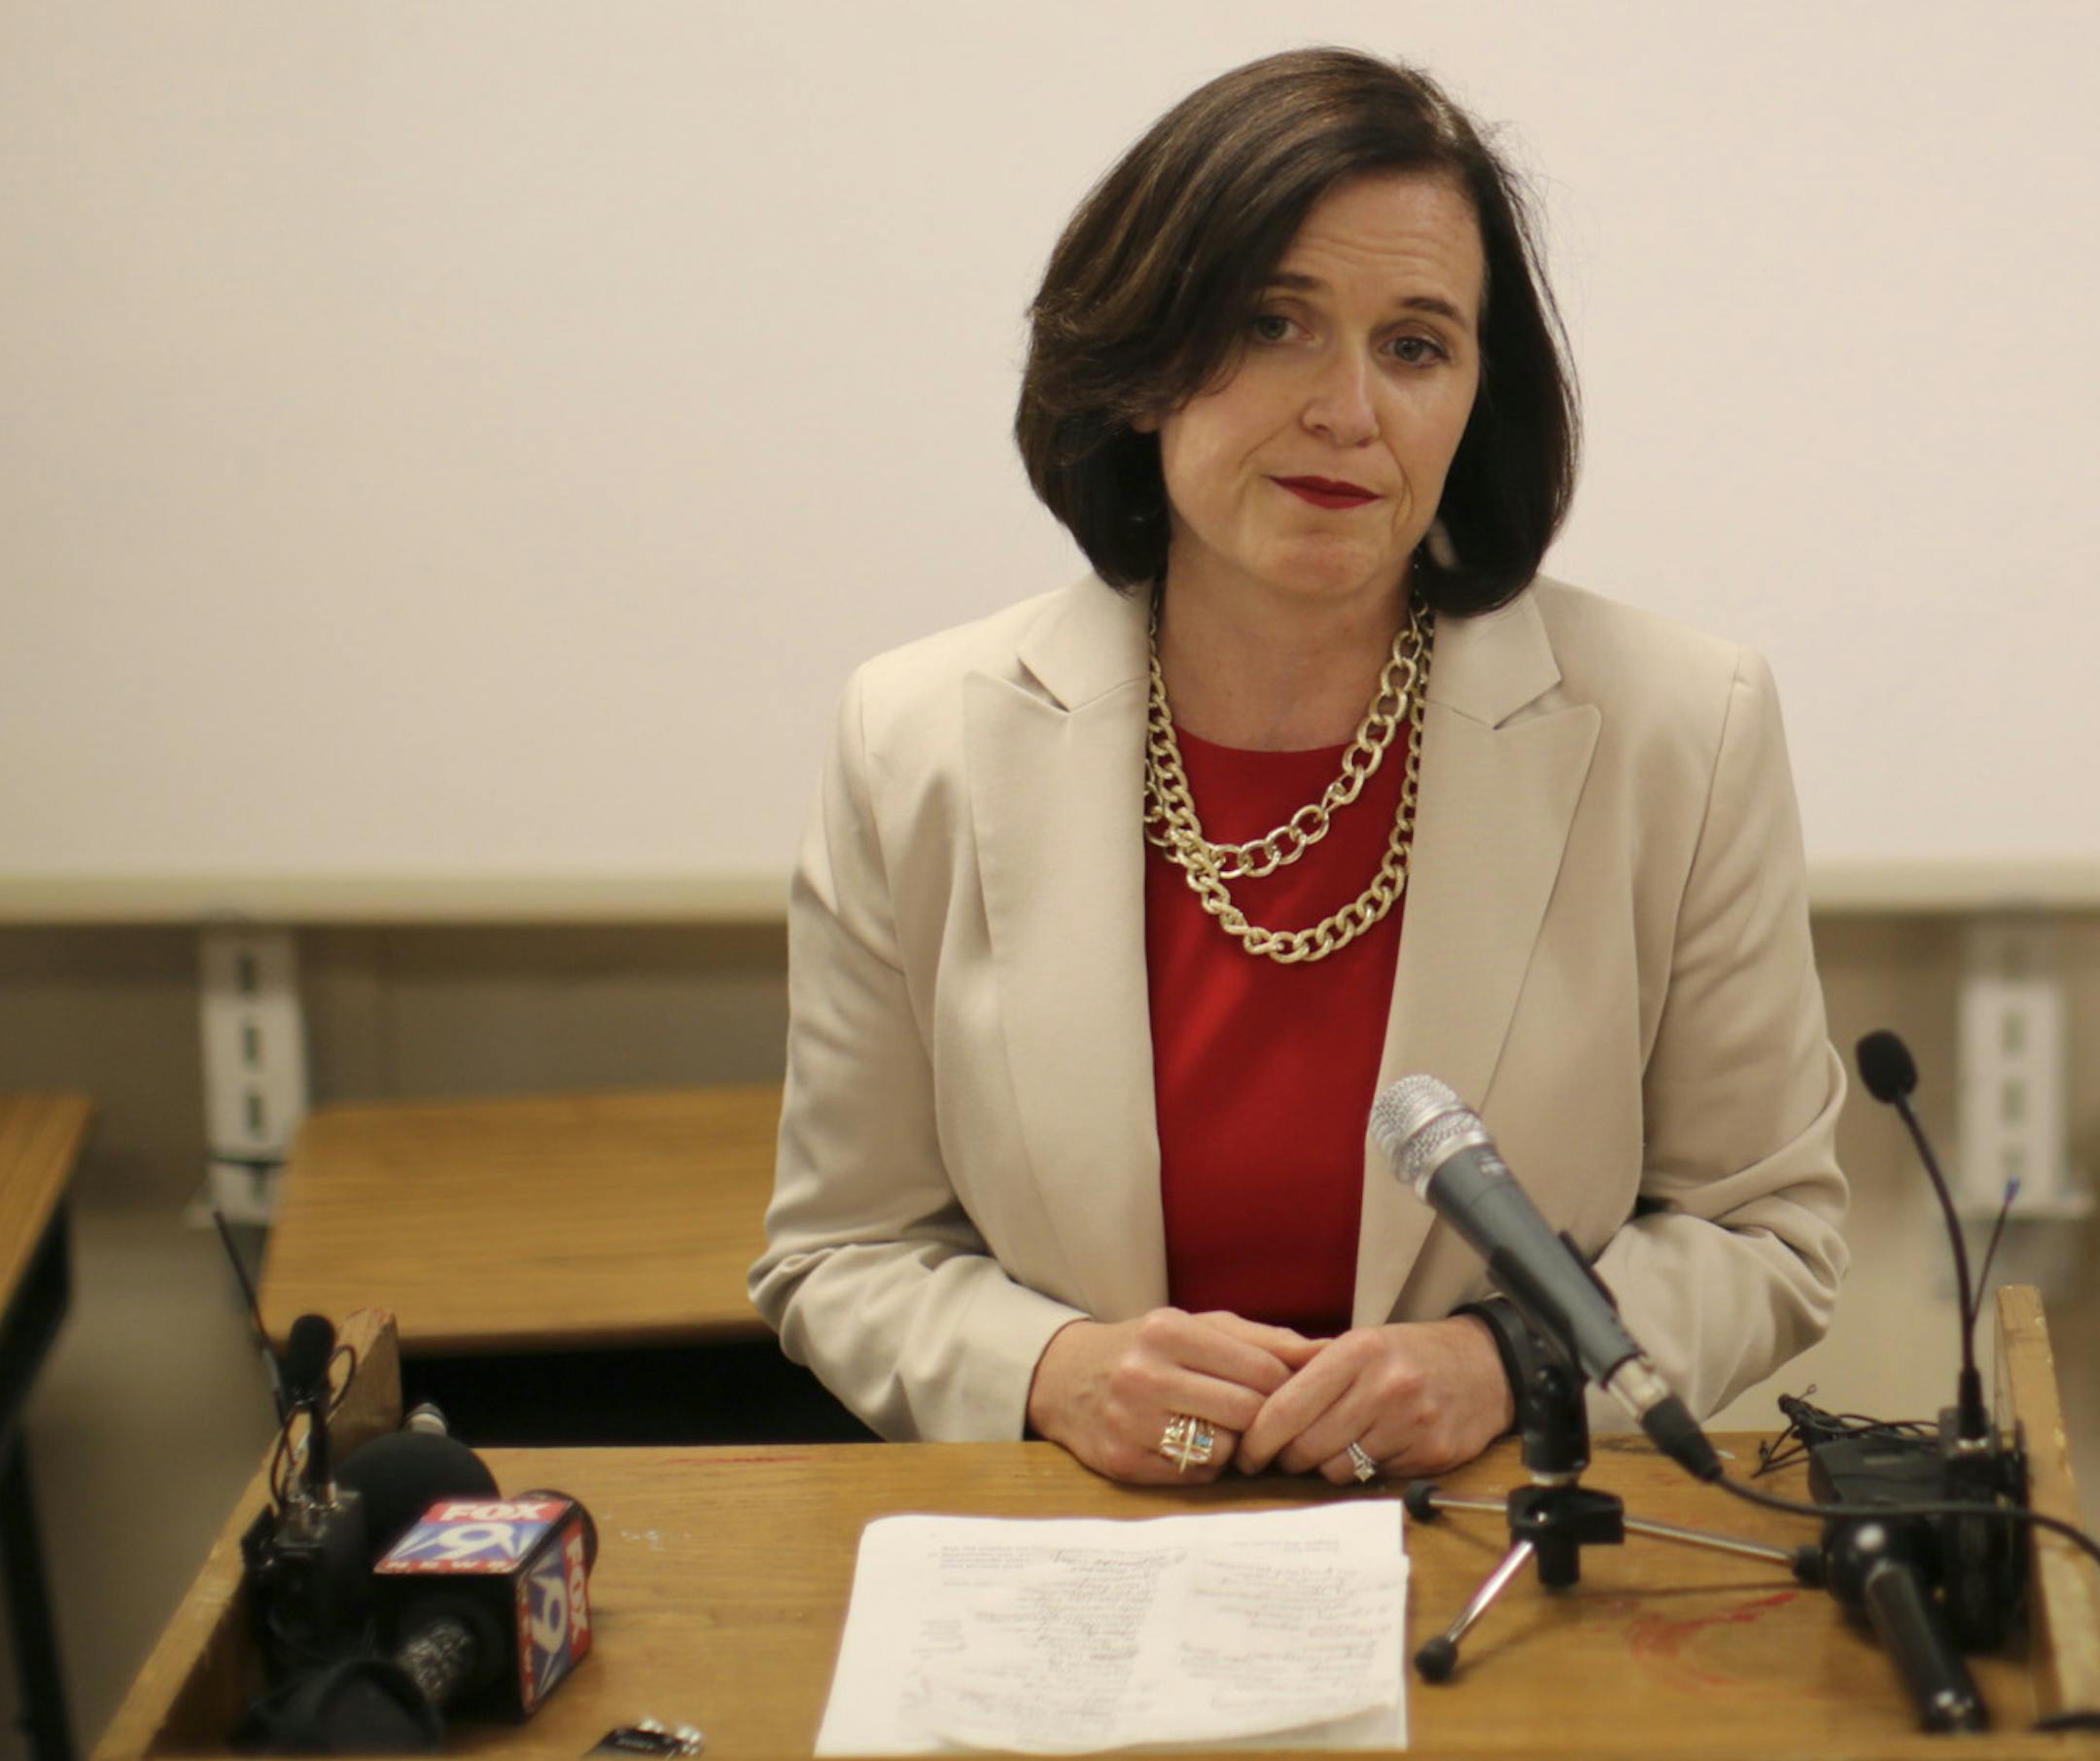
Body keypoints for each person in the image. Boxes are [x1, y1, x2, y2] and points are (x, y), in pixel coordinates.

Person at [750, 48, 1847, 1488]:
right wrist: (1050, 1369)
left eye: (1414, 345)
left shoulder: (1677, 724)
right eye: (1274, 324)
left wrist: (1505, 1361)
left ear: (1474, 398)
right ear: (1144, 361)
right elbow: (844, 1253)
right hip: (1092, 1556)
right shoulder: (917, 740)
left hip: (1487, 1550)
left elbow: (1767, 1230)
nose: (1348, 410)